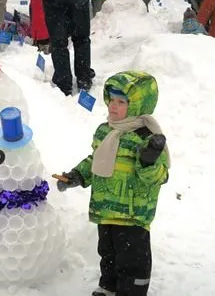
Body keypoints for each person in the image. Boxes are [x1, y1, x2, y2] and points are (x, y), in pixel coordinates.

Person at [56, 71, 170, 296]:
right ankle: (108, 287)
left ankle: (132, 291)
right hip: (105, 206)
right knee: (107, 253)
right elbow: (95, 160)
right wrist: (78, 175)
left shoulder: (147, 138)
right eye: (111, 100)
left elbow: (161, 176)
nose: (113, 106)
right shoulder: (105, 131)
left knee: (133, 260)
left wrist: (148, 162)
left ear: (138, 104)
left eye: (121, 102)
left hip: (132, 214)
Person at [42, 0, 95, 96]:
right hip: (78, 0)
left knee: (58, 43)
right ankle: (83, 78)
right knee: (81, 39)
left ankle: (63, 82)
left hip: (54, 1)